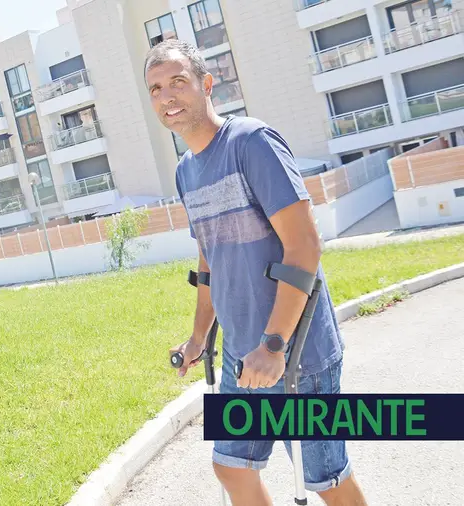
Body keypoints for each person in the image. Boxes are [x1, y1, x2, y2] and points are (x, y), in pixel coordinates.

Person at [144, 39, 368, 506]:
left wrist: (274, 345)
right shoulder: (187, 171)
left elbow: (305, 246)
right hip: (241, 358)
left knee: (326, 480)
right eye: (156, 88)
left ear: (207, 85)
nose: (167, 96)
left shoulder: (251, 142)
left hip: (294, 354)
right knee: (231, 467)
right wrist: (199, 336)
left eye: (178, 82)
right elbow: (210, 259)